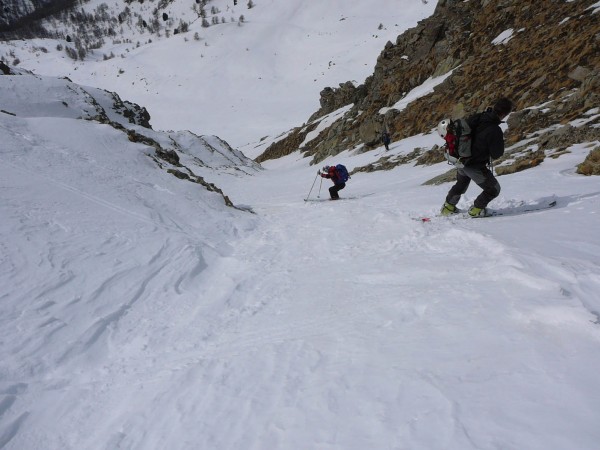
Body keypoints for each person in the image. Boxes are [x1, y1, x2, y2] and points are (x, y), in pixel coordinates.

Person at [440, 97, 514, 217]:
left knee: (461, 184)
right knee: (493, 189)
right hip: (474, 165)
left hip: (461, 160)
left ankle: (447, 208)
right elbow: (497, 154)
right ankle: (476, 210)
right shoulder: (495, 130)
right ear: (504, 114)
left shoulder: (479, 117)